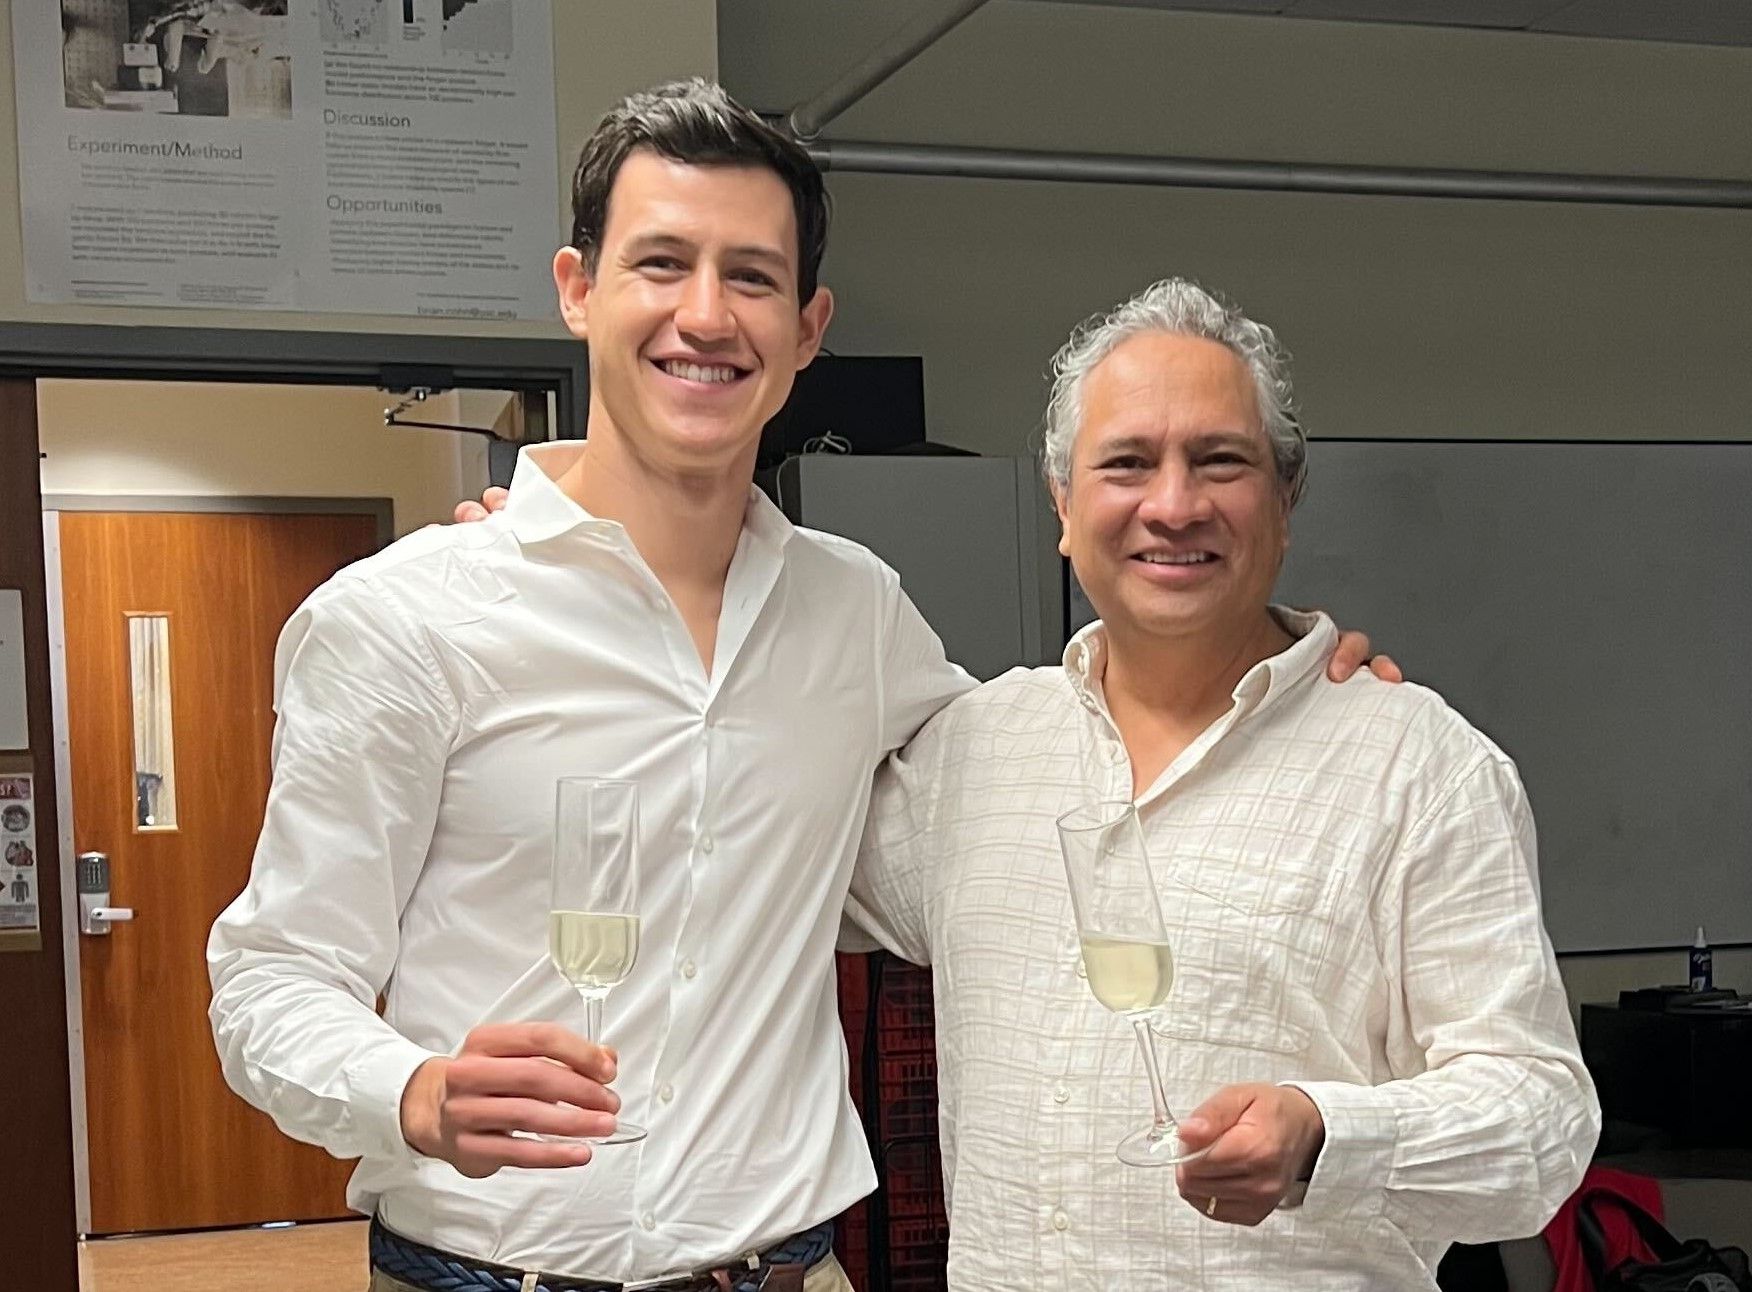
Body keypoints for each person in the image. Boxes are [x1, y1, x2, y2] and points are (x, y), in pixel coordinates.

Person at [211, 81, 1386, 1291]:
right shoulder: (404, 618)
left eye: (754, 277)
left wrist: (1289, 682)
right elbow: (271, 981)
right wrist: (409, 1091)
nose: (706, 315)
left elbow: (1066, 763)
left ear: (809, 325)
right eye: (662, 262)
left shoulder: (856, 612)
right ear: (578, 287)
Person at [843, 277, 1601, 1289]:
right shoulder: (971, 753)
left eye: (1219, 460)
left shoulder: (1419, 767)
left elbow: (1544, 1121)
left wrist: (1329, 1133)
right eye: (1126, 463)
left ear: (1284, 501)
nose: (1173, 503)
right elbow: (752, 870)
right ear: (1063, 506)